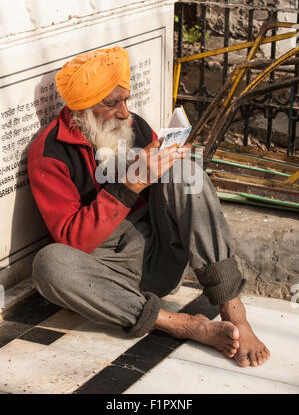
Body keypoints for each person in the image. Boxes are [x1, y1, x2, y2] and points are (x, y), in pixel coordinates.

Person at [28, 45, 270, 368]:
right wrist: (130, 185)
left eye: (126, 99)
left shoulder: (133, 126)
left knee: (186, 174)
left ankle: (233, 310)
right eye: (112, 103)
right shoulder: (48, 153)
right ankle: (180, 324)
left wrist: (173, 161)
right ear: (83, 108)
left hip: (160, 257)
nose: (125, 112)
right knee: (47, 264)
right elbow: (73, 238)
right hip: (106, 277)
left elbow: (181, 192)